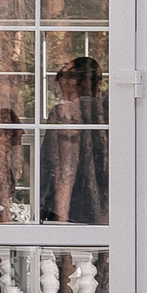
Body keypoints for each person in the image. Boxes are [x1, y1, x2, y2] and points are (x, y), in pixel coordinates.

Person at [44, 56, 108, 225]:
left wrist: (59, 218)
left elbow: (58, 167)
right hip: (108, 202)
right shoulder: (109, 111)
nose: (62, 93)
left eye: (62, 86)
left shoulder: (63, 114)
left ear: (75, 83)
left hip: (71, 205)